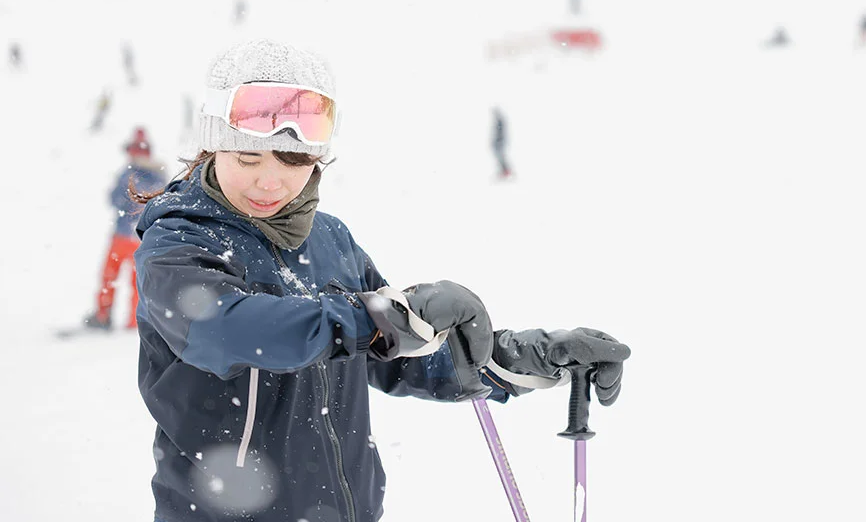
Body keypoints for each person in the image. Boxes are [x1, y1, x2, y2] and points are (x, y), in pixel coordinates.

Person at [131, 39, 630, 522]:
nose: (270, 181)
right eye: (248, 158)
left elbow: (399, 353)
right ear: (213, 148)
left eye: (294, 162)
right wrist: (374, 317)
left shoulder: (329, 240)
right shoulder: (178, 244)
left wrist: (533, 355)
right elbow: (227, 331)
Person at [83, 127, 166, 330]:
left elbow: (116, 199)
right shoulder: (158, 175)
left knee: (109, 276)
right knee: (137, 281)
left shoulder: (129, 173)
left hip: (122, 234)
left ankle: (104, 315)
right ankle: (136, 320)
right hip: (141, 236)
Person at [491, 106, 513, 178]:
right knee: (500, 157)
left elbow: (500, 133)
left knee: (500, 156)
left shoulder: (500, 122)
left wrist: (498, 141)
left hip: (500, 142)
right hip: (499, 142)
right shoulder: (499, 121)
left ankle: (506, 171)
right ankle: (504, 171)